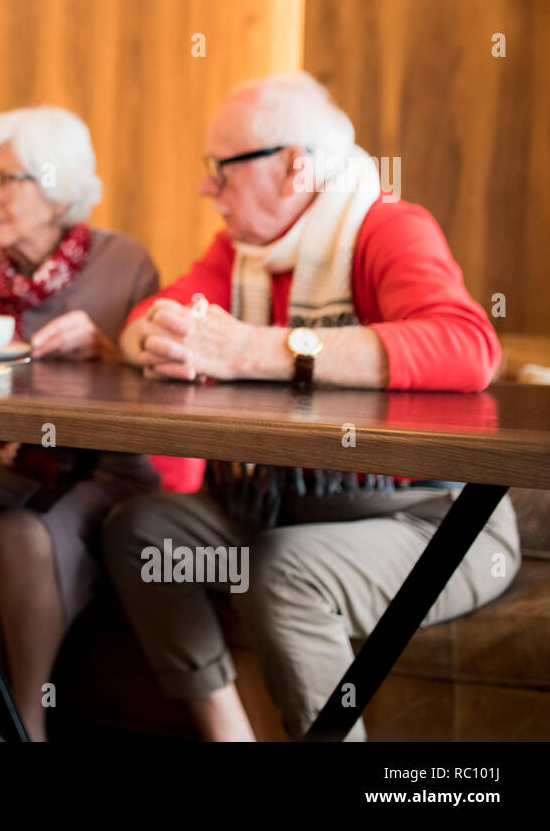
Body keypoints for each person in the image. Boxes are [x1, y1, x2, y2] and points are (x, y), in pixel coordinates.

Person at [104, 71, 520, 741]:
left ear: (295, 167)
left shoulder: (390, 228)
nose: (206, 187)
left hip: (429, 520)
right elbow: (150, 316)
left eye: (222, 168)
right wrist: (156, 337)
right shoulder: (242, 253)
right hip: (282, 506)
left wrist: (255, 351)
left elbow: (469, 347)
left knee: (283, 568)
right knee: (143, 528)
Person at [0, 105, 204, 741]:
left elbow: (161, 392)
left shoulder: (123, 264)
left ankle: (27, 723)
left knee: (26, 533)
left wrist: (111, 351)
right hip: (9, 462)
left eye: (6, 180)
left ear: (57, 190)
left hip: (108, 468)